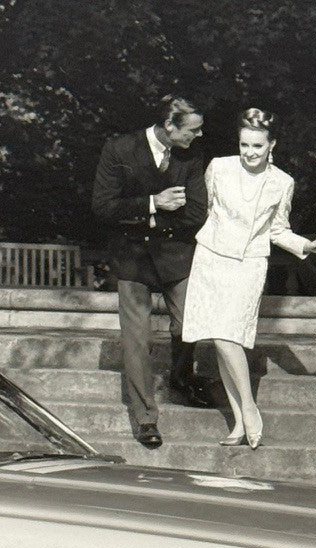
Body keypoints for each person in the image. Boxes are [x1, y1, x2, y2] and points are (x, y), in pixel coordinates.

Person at [182, 108, 316, 448]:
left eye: (257, 146)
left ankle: (249, 409)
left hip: (249, 263)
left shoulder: (282, 182)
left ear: (271, 145)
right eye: (244, 145)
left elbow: (278, 230)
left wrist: (307, 245)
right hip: (211, 258)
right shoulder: (219, 168)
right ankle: (239, 421)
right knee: (221, 339)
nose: (250, 152)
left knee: (228, 335)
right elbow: (204, 210)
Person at [92, 95, 210, 449]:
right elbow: (103, 207)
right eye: (193, 130)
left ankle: (181, 380)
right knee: (137, 340)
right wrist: (153, 204)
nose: (199, 135)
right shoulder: (119, 149)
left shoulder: (192, 155)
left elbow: (197, 212)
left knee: (189, 325)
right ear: (169, 126)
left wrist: (151, 219)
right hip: (132, 257)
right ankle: (145, 418)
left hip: (177, 254)